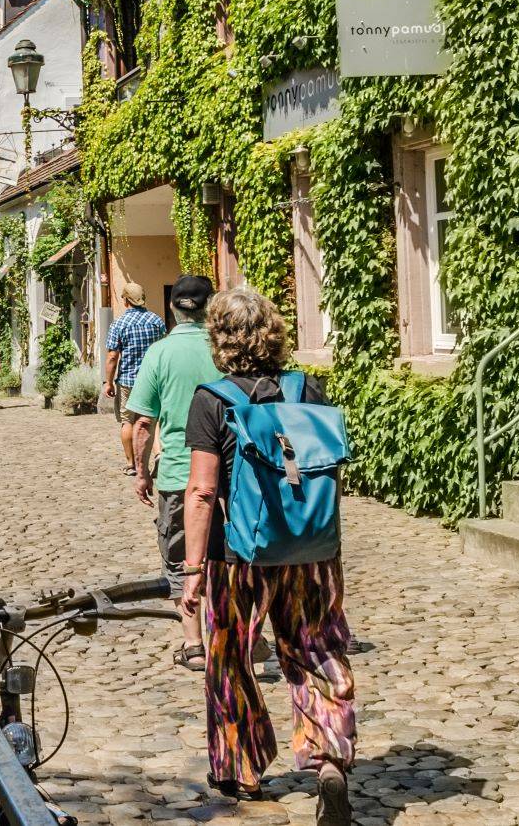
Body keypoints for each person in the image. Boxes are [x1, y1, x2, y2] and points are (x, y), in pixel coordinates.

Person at [180, 287, 355, 822]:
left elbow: (203, 491)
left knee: (232, 656)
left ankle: (244, 769)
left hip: (238, 556)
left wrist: (191, 572)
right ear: (272, 335)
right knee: (319, 648)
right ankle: (327, 756)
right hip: (312, 551)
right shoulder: (308, 390)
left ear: (221, 339)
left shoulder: (214, 399)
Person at [124, 274, 219, 672]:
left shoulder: (160, 354)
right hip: (229, 472)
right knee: (228, 555)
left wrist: (141, 472)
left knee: (181, 556)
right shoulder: (227, 349)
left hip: (180, 472)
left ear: (174, 308)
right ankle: (238, 634)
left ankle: (194, 643)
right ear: (210, 306)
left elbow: (143, 422)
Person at [105, 283, 167, 476]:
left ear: (125, 300)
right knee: (154, 419)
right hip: (153, 379)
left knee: (127, 421)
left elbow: (112, 357)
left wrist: (108, 381)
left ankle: (132, 464)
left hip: (128, 381)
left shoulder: (119, 324)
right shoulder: (157, 321)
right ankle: (158, 455)